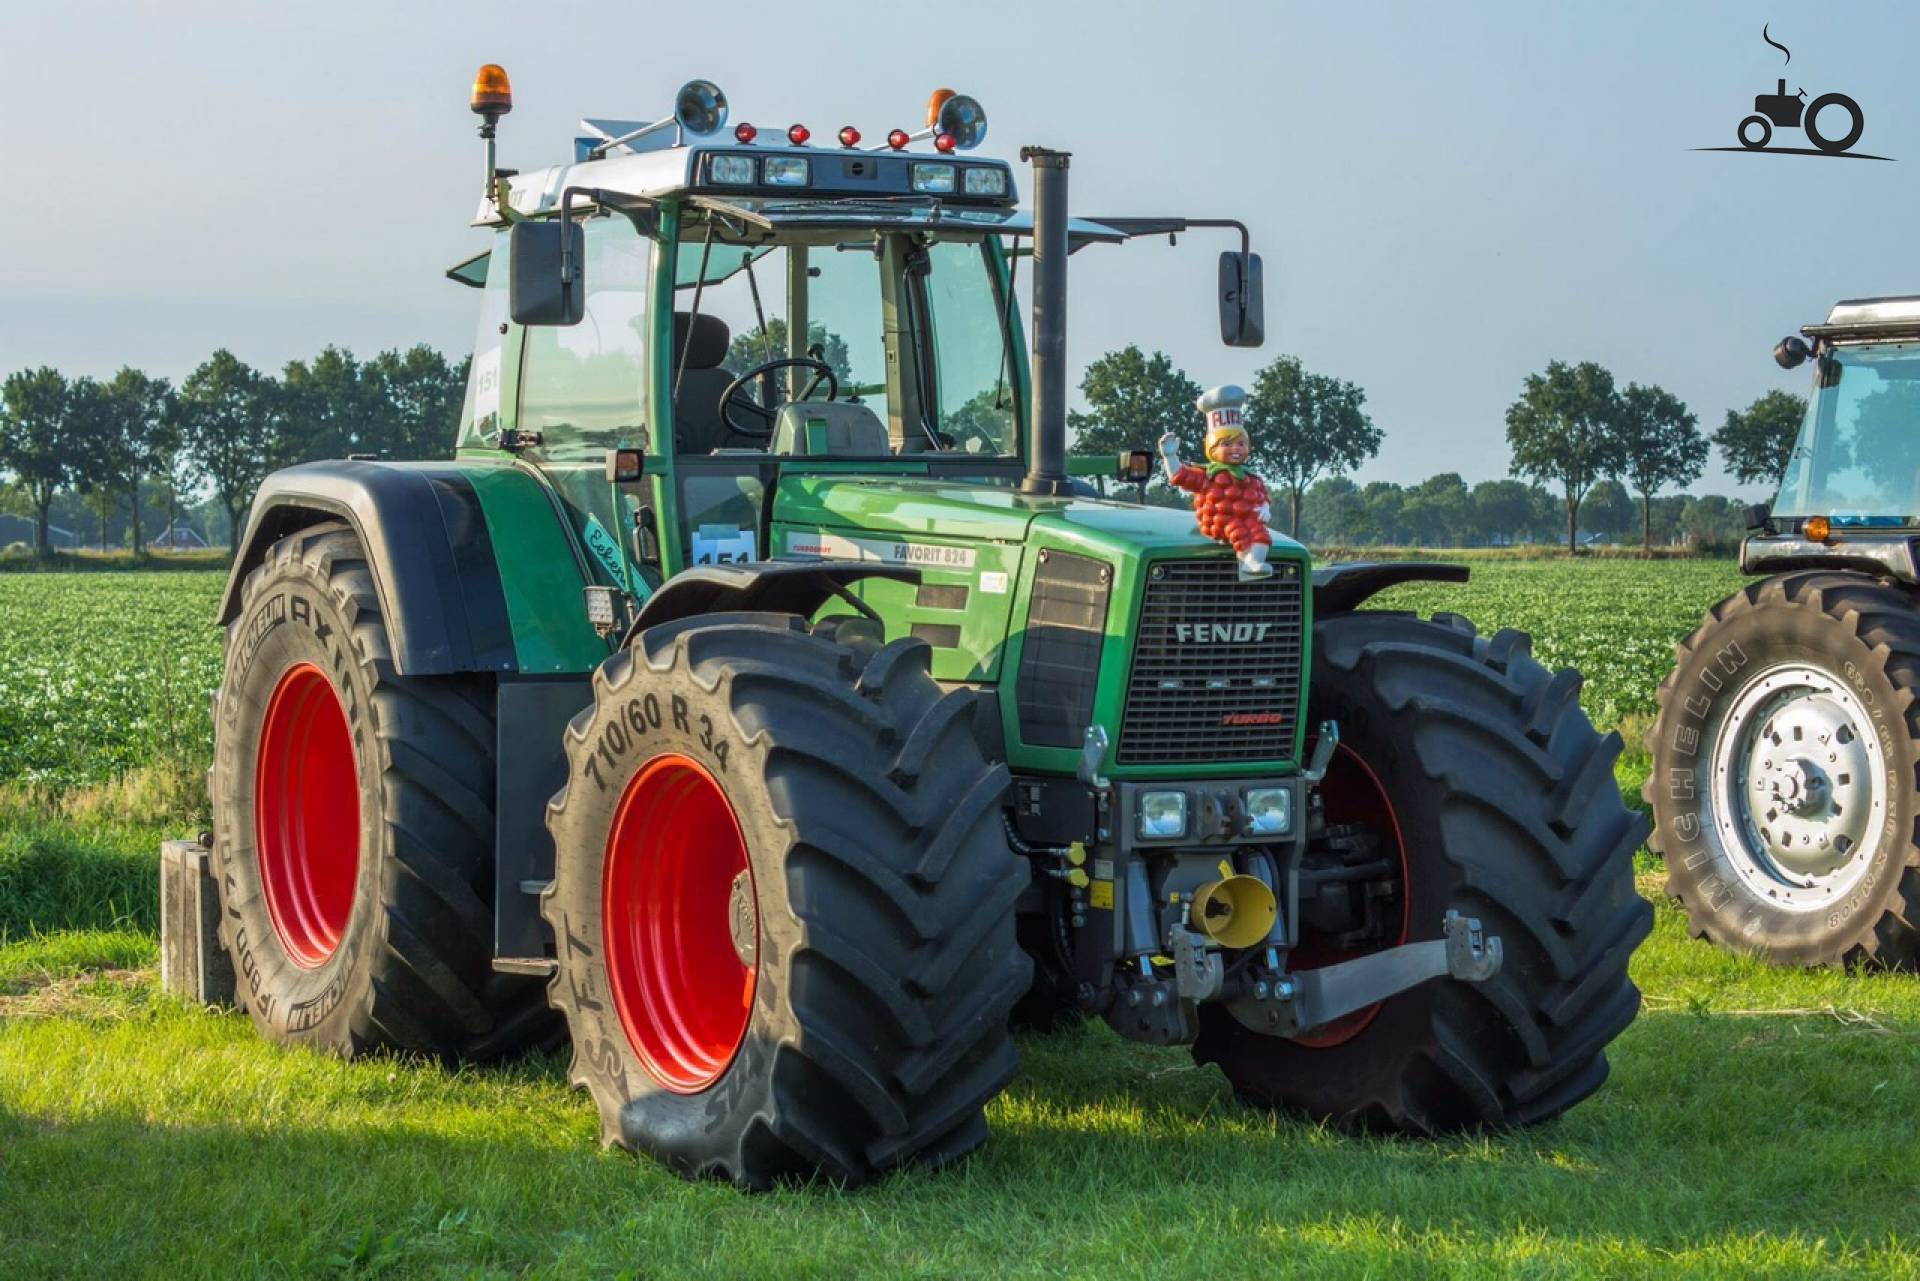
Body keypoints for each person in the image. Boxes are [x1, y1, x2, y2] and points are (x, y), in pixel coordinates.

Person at [1158, 384, 1273, 578]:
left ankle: (1254, 561)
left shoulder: (1250, 476)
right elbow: (1180, 476)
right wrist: (1170, 457)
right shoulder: (1207, 475)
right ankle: (1249, 561)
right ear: (1211, 448)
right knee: (1238, 529)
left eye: (1241, 444)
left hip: (1248, 518)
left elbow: (1262, 496)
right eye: (1227, 444)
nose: (1235, 449)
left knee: (1260, 532)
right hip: (1220, 522)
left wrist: (1265, 509)